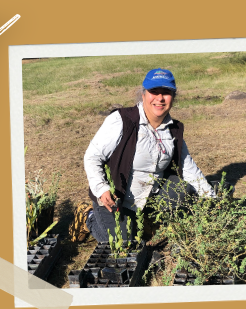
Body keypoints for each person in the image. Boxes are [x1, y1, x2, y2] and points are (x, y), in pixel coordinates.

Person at [83, 68, 215, 244]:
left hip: (152, 197)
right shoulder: (122, 120)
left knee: (185, 190)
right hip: (116, 201)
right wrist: (101, 189)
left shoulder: (173, 129)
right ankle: (90, 217)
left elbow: (188, 167)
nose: (160, 98)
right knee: (126, 246)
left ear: (173, 97)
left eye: (166, 93)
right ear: (144, 94)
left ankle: (145, 220)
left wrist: (212, 201)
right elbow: (92, 157)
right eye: (154, 92)